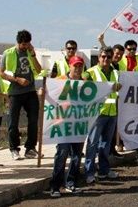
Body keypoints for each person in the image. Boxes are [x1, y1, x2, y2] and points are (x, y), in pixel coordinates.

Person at [0, 30, 43, 160]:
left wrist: (33, 54)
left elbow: (39, 70)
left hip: (30, 91)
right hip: (15, 92)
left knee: (34, 121)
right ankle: (14, 149)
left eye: (28, 44)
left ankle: (30, 148)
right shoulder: (9, 53)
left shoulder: (30, 52)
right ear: (18, 43)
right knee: (13, 121)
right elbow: (1, 72)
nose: (25, 46)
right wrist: (17, 79)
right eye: (23, 44)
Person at [83, 47, 120, 184]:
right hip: (97, 114)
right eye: (103, 56)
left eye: (108, 57)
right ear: (99, 57)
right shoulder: (91, 72)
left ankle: (104, 170)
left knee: (105, 145)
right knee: (92, 144)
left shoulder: (115, 73)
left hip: (112, 112)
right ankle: (89, 172)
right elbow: (83, 81)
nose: (106, 59)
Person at [50, 56, 85, 197]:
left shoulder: (85, 83)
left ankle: (70, 183)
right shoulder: (60, 80)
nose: (77, 69)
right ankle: (55, 186)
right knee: (62, 154)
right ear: (69, 66)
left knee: (76, 156)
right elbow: (48, 94)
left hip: (78, 124)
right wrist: (41, 93)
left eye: (80, 66)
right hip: (63, 124)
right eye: (75, 66)